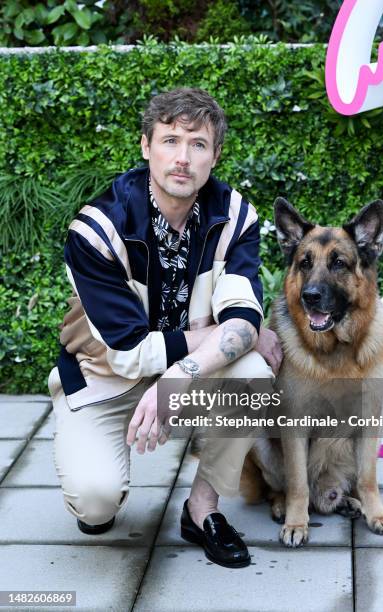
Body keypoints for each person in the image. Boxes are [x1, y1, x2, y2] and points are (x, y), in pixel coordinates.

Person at [48, 87, 282, 569]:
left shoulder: (234, 216)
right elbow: (129, 350)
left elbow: (242, 314)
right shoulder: (97, 229)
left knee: (255, 370)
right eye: (170, 140)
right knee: (95, 502)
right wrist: (232, 330)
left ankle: (201, 511)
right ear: (145, 146)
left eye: (198, 144)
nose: (182, 157)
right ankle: (94, 474)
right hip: (105, 379)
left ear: (215, 156)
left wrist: (186, 370)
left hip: (186, 377)